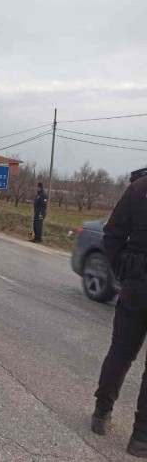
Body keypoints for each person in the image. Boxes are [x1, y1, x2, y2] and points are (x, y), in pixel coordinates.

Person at [91, 166, 147, 457]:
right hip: (137, 281)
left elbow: (112, 235)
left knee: (121, 351)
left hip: (137, 285)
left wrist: (123, 271)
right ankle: (141, 438)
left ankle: (101, 414)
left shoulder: (139, 188)